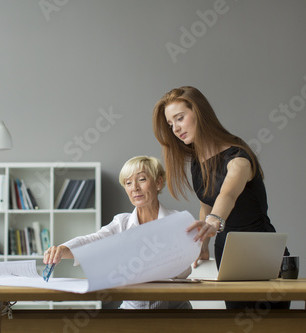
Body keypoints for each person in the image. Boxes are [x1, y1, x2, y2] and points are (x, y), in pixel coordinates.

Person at [152, 86, 289, 309]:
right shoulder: (198, 161)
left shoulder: (238, 157)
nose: (175, 129)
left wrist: (214, 222)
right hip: (228, 255)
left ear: (199, 113)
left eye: (180, 118)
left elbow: (228, 195)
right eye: (170, 124)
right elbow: (206, 205)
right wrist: (203, 244)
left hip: (263, 254)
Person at [43, 155, 192, 310]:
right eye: (128, 183)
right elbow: (94, 240)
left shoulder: (177, 220)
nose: (134, 187)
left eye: (141, 179)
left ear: (158, 182)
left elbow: (185, 269)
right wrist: (62, 249)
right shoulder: (122, 223)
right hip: (132, 313)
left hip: (175, 314)